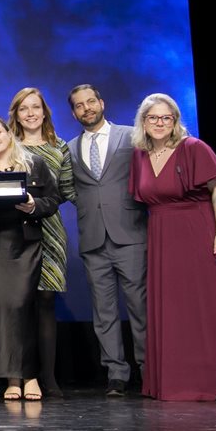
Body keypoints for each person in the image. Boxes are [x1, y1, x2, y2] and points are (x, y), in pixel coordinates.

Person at [129, 93, 216, 401]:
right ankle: (175, 382)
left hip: (201, 233)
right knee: (174, 312)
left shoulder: (193, 148)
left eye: (166, 118)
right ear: (143, 122)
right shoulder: (140, 155)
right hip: (163, 239)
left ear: (175, 121)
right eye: (153, 118)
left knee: (209, 309)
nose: (159, 123)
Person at [0, 115, 61, 401]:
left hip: (24, 246)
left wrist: (32, 205)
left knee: (21, 308)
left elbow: (52, 201)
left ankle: (30, 376)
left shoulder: (33, 164)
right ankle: (12, 379)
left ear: (8, 133)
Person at [66, 84, 148, 397]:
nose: (86, 108)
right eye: (79, 105)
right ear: (73, 112)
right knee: (104, 311)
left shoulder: (131, 136)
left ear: (102, 102)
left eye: (90, 102)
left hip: (130, 233)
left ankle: (148, 368)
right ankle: (116, 373)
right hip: (93, 239)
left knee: (140, 308)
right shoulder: (70, 148)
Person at [8, 87, 76, 398]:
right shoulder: (7, 146)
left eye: (36, 107)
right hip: (14, 232)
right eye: (24, 109)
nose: (31, 113)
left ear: (45, 111)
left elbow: (64, 191)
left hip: (50, 230)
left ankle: (48, 377)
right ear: (16, 115)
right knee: (19, 305)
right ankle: (20, 375)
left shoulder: (60, 147)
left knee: (46, 302)